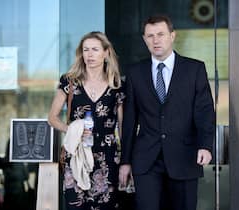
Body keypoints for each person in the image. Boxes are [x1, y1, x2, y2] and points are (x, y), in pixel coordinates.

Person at [119, 15, 215, 210]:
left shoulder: (194, 69)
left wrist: (205, 145)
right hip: (146, 161)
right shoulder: (135, 73)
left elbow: (204, 112)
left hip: (185, 157)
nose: (156, 40)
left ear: (172, 36)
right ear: (145, 39)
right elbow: (129, 120)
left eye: (161, 34)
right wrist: (125, 161)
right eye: (150, 35)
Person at [48, 31, 125, 210]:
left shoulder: (117, 85)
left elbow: (123, 127)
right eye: (86, 50)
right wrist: (72, 129)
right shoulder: (70, 81)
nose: (89, 54)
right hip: (76, 156)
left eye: (95, 49)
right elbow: (52, 117)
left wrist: (127, 160)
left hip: (107, 158)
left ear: (106, 53)